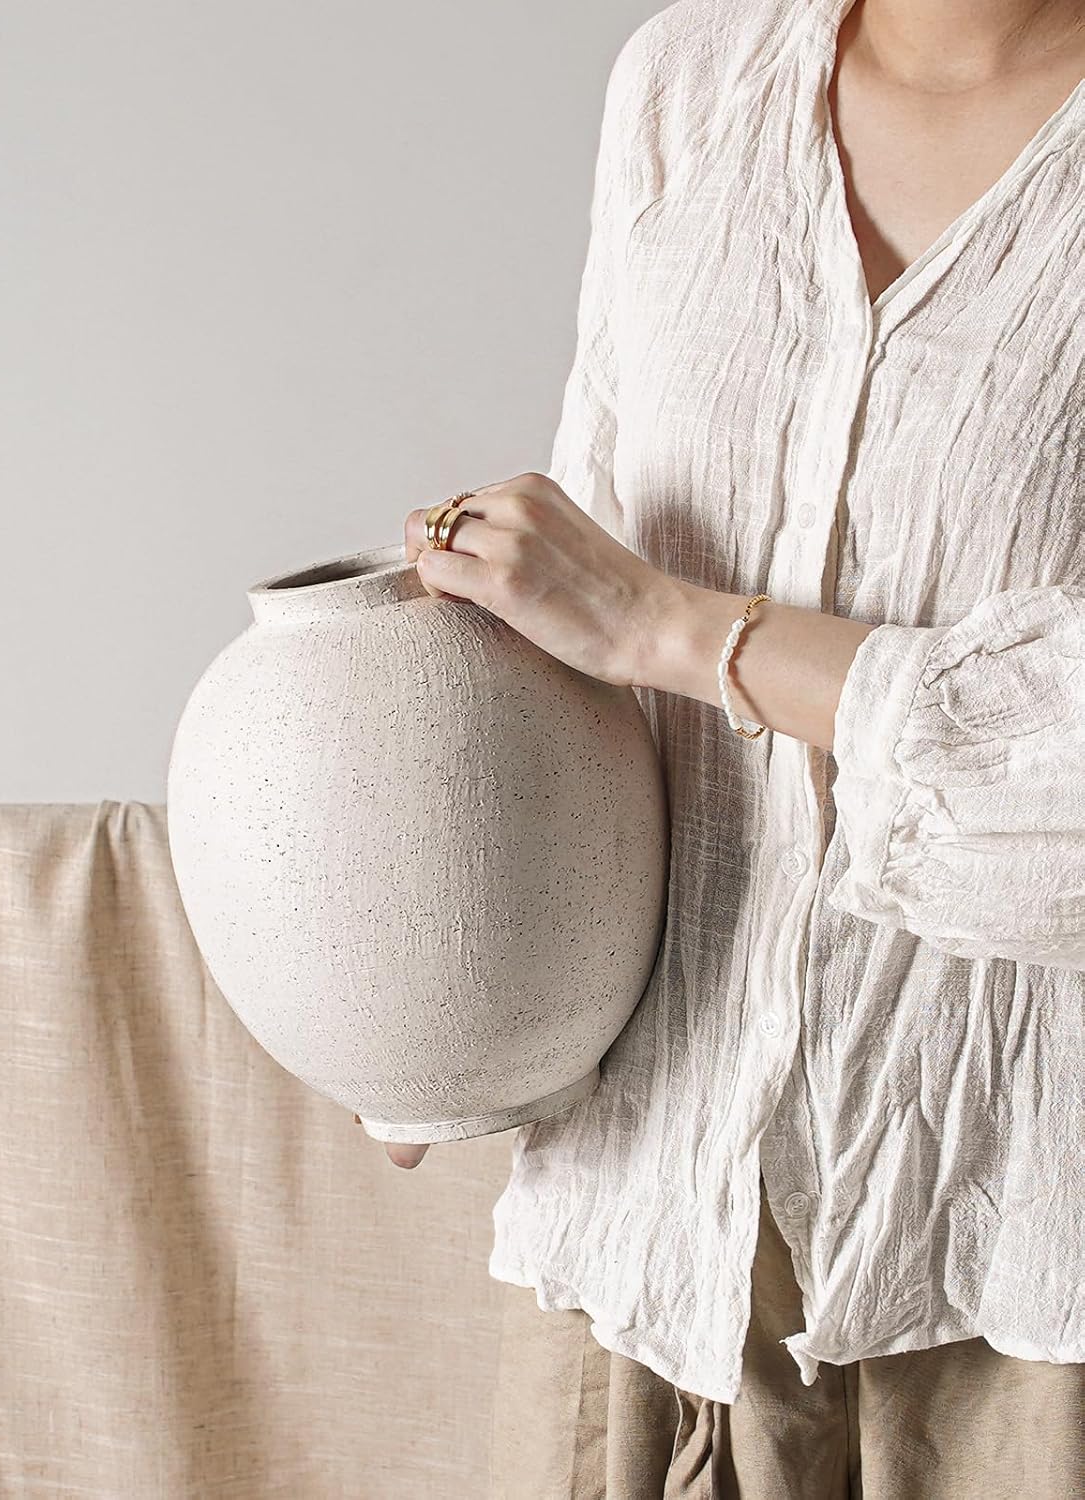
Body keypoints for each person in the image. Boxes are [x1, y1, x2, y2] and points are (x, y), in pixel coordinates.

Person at [376, 0, 1084, 1490]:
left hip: (1019, 1249)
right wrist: (431, 996)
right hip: (649, 1237)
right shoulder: (684, 83)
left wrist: (677, 632)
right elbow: (580, 610)